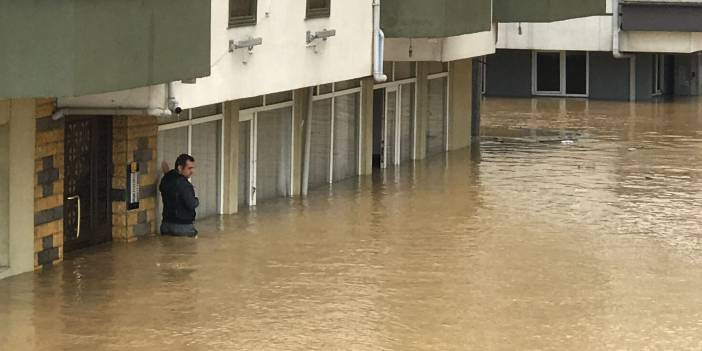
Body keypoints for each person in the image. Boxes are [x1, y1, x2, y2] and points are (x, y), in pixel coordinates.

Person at [159, 154, 199, 237]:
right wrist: (196, 200)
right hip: (183, 227)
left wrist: (167, 173)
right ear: (180, 168)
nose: (192, 171)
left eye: (192, 168)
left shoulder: (166, 179)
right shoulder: (184, 185)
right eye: (189, 168)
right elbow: (191, 204)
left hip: (166, 225)